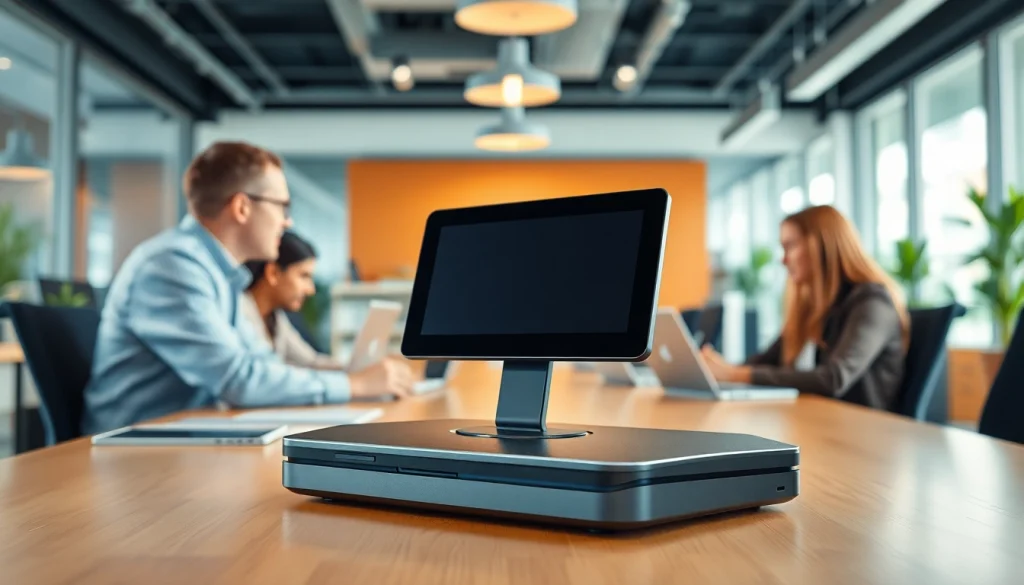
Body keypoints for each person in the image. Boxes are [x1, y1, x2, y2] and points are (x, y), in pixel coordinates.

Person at [83, 141, 413, 434]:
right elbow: (238, 381)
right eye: (282, 206)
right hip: (134, 453)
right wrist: (354, 384)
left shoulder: (222, 275)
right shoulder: (172, 266)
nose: (288, 222)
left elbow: (262, 364)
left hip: (194, 435)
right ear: (242, 207)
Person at [700, 205, 910, 411]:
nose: (783, 259)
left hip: (863, 431)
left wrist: (736, 375)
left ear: (822, 246)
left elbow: (834, 378)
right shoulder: (815, 307)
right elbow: (767, 360)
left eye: (790, 246)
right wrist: (721, 368)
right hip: (819, 419)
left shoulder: (873, 303)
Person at [240, 231, 342, 370]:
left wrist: (358, 371)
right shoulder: (239, 311)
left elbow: (311, 362)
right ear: (273, 273)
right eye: (304, 276)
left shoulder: (275, 317)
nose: (310, 289)